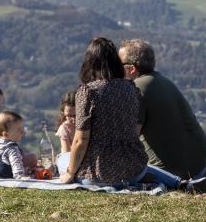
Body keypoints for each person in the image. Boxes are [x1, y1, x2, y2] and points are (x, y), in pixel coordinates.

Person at [59, 37, 148, 187]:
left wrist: (70, 173)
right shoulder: (131, 88)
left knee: (61, 159)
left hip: (98, 176)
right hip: (135, 171)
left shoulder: (88, 92)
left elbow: (81, 140)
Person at [119, 39, 206, 179]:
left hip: (170, 170)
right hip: (199, 164)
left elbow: (129, 139)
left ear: (131, 69)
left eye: (118, 64)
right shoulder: (163, 81)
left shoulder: (136, 89)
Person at [0, 111, 28, 179]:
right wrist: (20, 176)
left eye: (22, 128)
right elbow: (16, 163)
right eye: (19, 130)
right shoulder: (12, 148)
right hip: (2, 176)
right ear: (6, 134)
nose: (22, 131)